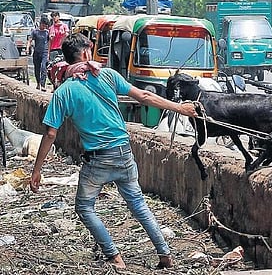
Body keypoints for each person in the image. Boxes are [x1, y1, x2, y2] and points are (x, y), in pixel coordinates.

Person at [29, 33, 198, 269]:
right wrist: (180, 108)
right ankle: (165, 254)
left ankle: (115, 257)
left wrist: (36, 171)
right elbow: (145, 96)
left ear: (67, 60)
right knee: (138, 204)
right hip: (123, 152)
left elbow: (49, 134)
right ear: (87, 53)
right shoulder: (107, 75)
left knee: (84, 207)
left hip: (97, 160)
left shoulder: (63, 92)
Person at [26, 17, 50, 92]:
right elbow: (30, 40)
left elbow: (49, 42)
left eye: (46, 26)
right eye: (43, 25)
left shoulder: (47, 33)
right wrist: (27, 48)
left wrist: (48, 53)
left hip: (44, 52)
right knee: (37, 69)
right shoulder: (35, 32)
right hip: (36, 52)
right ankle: (38, 83)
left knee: (44, 68)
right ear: (41, 24)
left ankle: (43, 84)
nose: (44, 27)